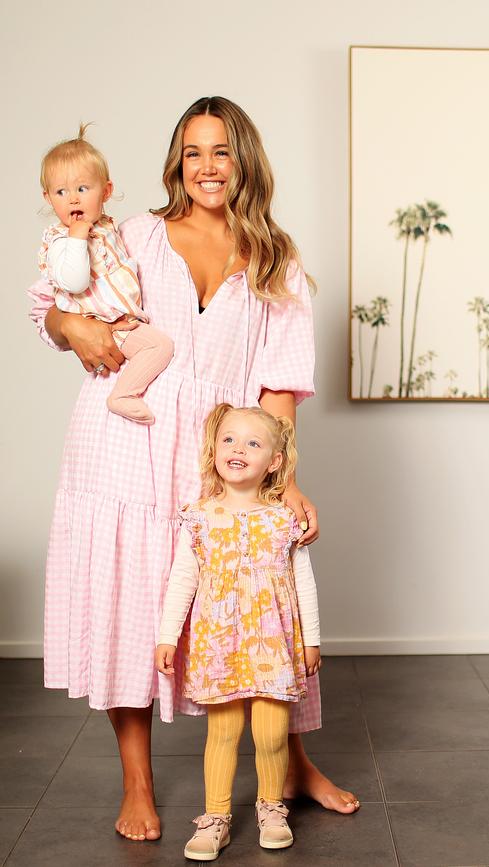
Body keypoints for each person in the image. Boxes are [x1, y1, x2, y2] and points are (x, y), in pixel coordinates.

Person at [27, 95, 359, 844]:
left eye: (222, 151)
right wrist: (71, 323)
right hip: (124, 437)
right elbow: (51, 296)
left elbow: (279, 380)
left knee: (259, 601)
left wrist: (285, 476)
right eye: (193, 151)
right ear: (177, 160)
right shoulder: (133, 234)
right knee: (135, 603)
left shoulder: (274, 256)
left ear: (245, 159)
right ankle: (138, 782)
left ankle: (294, 762)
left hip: (222, 452)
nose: (207, 167)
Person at [155, 404, 321, 859]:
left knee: (270, 735)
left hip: (272, 646)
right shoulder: (200, 516)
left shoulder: (283, 519)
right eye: (229, 440)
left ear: (274, 462)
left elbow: (302, 580)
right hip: (219, 645)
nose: (238, 449)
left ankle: (271, 808)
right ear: (213, 451)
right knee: (222, 735)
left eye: (253, 443)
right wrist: (167, 635)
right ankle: (216, 818)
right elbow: (182, 581)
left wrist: (313, 639)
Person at [39, 125, 174, 424]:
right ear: (48, 198)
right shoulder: (62, 241)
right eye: (61, 192)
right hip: (106, 326)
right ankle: (123, 395)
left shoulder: (109, 230)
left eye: (82, 189)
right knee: (160, 347)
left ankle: (125, 392)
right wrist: (77, 237)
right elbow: (74, 282)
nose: (73, 199)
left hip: (122, 321)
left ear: (106, 191)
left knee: (157, 346)